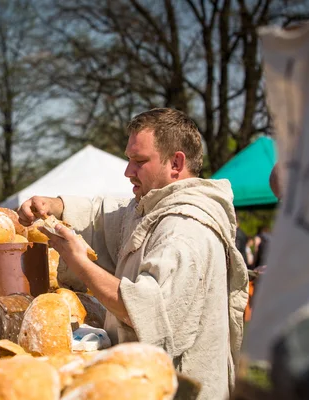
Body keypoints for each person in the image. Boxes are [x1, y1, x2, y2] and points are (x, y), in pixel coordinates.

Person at [18, 108, 248, 399]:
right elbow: (104, 215)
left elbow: (143, 311)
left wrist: (78, 261)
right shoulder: (153, 208)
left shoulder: (185, 229)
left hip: (178, 389)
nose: (128, 172)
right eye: (129, 159)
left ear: (176, 163)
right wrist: (54, 205)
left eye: (139, 161)